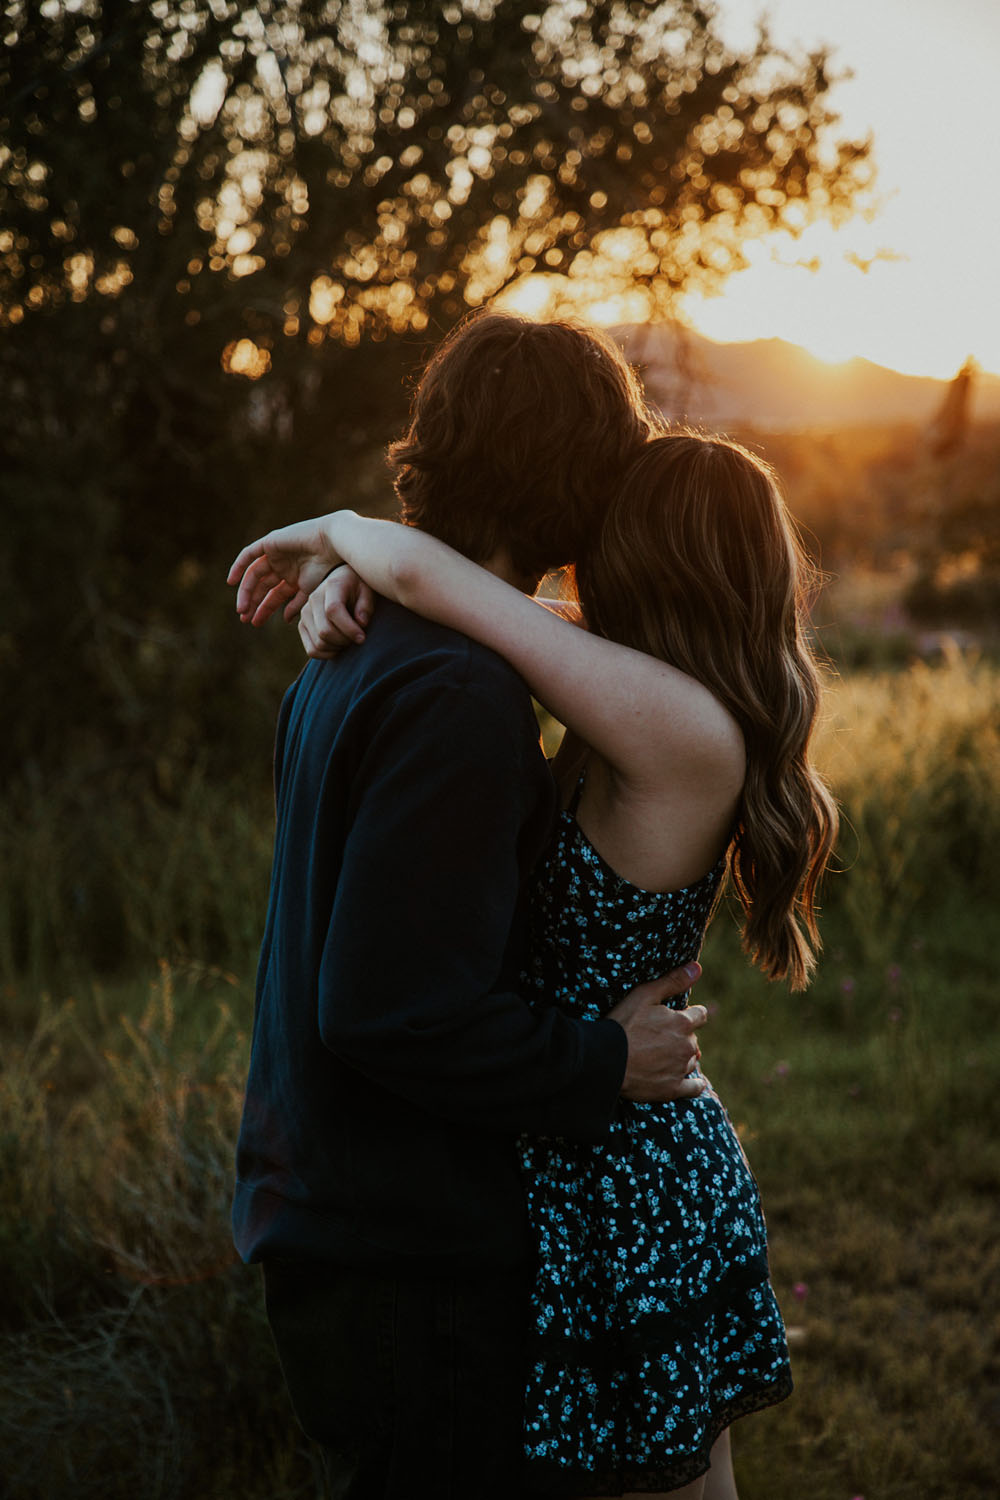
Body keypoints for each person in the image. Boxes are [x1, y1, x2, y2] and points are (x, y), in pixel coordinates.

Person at [230, 428, 838, 1499]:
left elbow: (434, 577)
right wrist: (341, 587)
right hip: (575, 1138)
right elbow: (448, 601)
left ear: (644, 560)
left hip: (628, 1166)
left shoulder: (681, 726)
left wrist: (333, 533)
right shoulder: (641, 685)